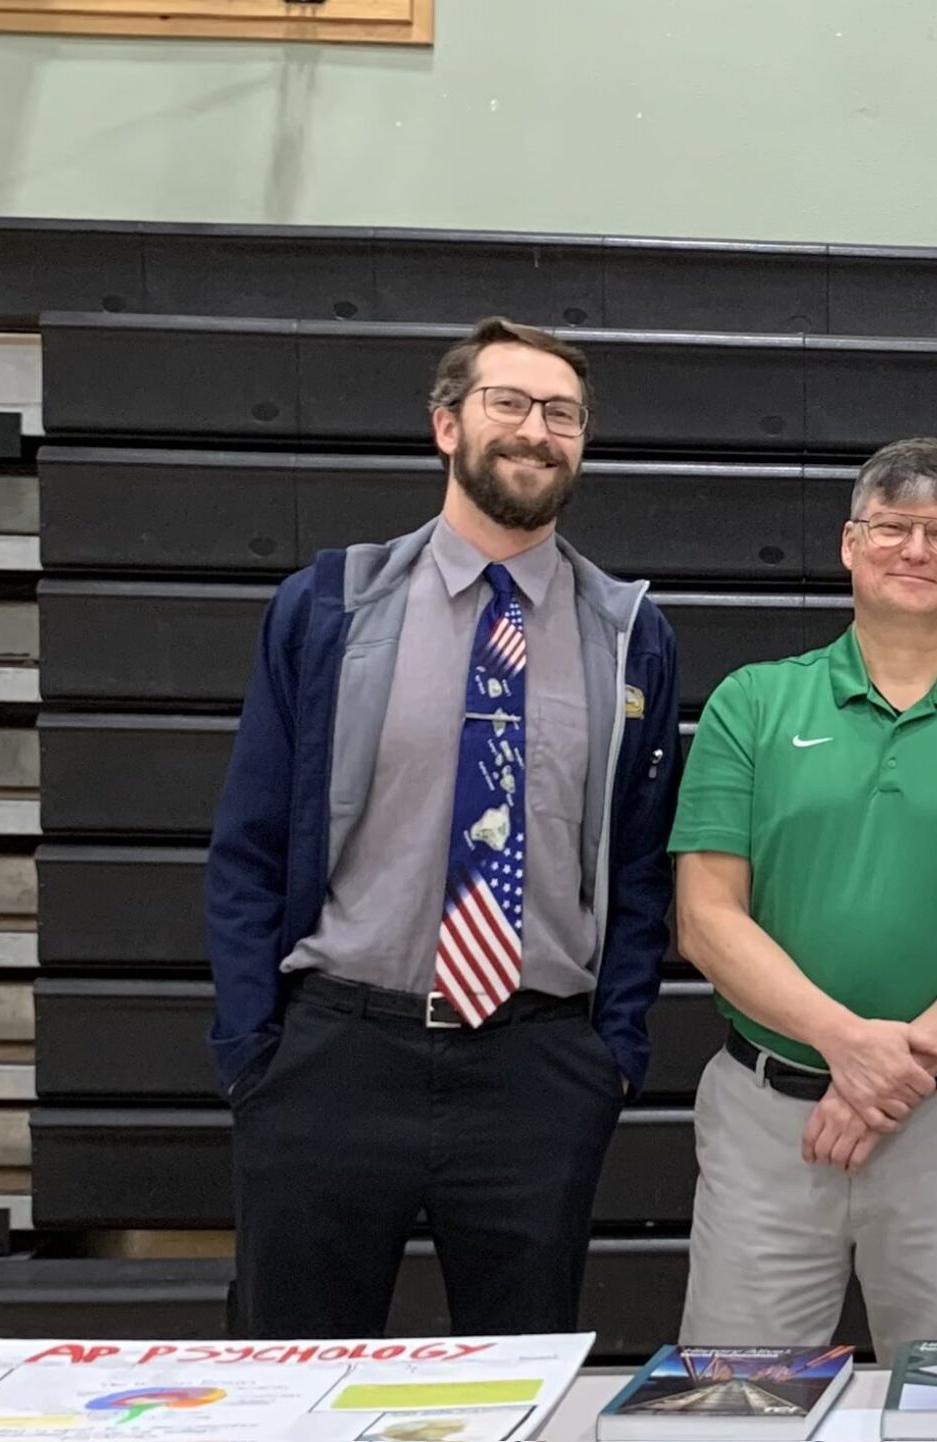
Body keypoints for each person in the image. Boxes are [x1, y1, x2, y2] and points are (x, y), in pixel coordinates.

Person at [206, 317, 681, 1337]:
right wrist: (256, 1048)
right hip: (334, 1057)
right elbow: (247, 840)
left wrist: (612, 1057)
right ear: (445, 424)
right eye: (507, 402)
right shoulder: (330, 606)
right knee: (297, 1383)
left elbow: (641, 868)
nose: (535, 430)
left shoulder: (630, 634)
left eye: (562, 413)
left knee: (518, 1383)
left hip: (536, 1070)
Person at [671, 437, 937, 1363]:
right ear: (848, 543)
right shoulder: (752, 704)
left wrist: (882, 1079)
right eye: (893, 527)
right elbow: (706, 919)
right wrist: (846, 1044)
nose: (917, 550)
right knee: (739, 1405)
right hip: (768, 1122)